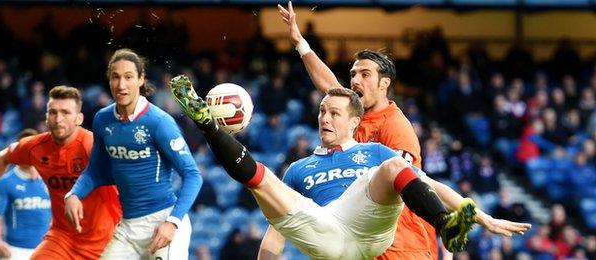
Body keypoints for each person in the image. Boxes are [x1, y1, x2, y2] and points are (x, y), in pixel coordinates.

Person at [170, 75, 529, 259]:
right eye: (322, 111)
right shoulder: (299, 169)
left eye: (334, 113)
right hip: (327, 235)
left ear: (354, 122)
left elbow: (432, 185)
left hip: (369, 230)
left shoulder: (375, 152)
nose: (324, 118)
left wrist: (484, 218)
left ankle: (445, 227)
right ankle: (207, 125)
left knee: (391, 169)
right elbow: (275, 236)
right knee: (262, 181)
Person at [277, 2, 491, 258]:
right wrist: (300, 42)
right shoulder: (353, 113)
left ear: (384, 84)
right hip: (369, 241)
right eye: (353, 73)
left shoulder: (395, 126)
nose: (355, 80)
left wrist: (479, 216)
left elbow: (420, 182)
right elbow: (329, 86)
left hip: (404, 246)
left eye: (365, 74)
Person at [65, 48, 203, 259]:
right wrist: (74, 194)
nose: (121, 85)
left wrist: (173, 222)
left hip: (163, 222)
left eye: (128, 77)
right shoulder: (102, 120)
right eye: (116, 77)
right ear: (109, 81)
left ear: (141, 79)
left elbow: (193, 174)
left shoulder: (159, 122)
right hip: (129, 227)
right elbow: (97, 171)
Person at [0, 85, 122, 259]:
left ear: (79, 118)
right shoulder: (8, 181)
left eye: (65, 113)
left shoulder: (94, 147)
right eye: (53, 112)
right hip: (22, 250)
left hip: (105, 242)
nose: (58, 119)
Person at [0, 129, 51, 260]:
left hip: (46, 249)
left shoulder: (50, 179)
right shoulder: (6, 182)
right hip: (16, 251)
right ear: (18, 150)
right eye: (25, 147)